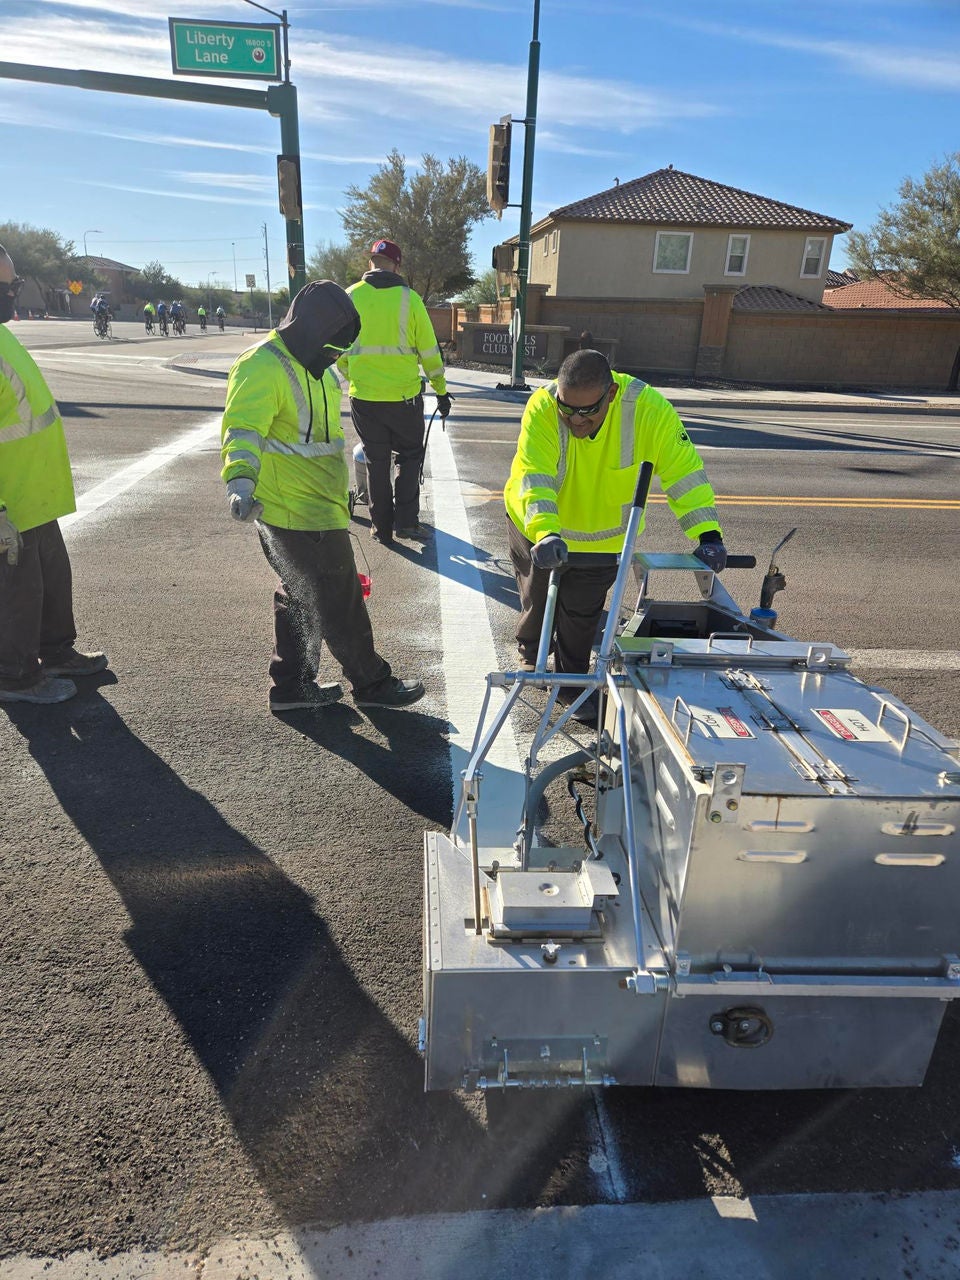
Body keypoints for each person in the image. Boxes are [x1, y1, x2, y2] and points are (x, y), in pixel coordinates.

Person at [220, 279, 426, 713]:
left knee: (300, 595)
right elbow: (243, 430)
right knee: (339, 598)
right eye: (332, 348)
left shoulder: (318, 367)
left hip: (319, 506)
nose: (336, 357)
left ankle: (293, 687)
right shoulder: (261, 366)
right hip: (291, 509)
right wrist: (240, 480)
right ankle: (371, 683)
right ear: (311, 333)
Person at [504, 348, 725, 722]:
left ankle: (572, 687)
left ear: (610, 394)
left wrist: (707, 534)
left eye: (587, 411)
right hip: (537, 528)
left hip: (602, 543)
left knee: (581, 615)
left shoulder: (649, 410)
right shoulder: (542, 408)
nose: (575, 420)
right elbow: (534, 475)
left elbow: (683, 472)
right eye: (567, 408)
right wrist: (545, 533)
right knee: (538, 598)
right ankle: (530, 652)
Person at [0, 245, 108, 705]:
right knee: (18, 593)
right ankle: (14, 675)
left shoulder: (3, 335)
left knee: (51, 581)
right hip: (12, 504)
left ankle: (55, 651)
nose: (14, 293)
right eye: (9, 286)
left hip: (36, 495)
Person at [338, 239, 451, 545]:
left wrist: (356, 377)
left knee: (376, 462)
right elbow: (430, 353)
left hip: (364, 399)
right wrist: (441, 392)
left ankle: (381, 527)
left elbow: (339, 352)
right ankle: (407, 523)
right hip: (404, 399)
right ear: (397, 265)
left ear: (370, 262)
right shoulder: (410, 300)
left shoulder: (349, 297)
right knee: (409, 457)